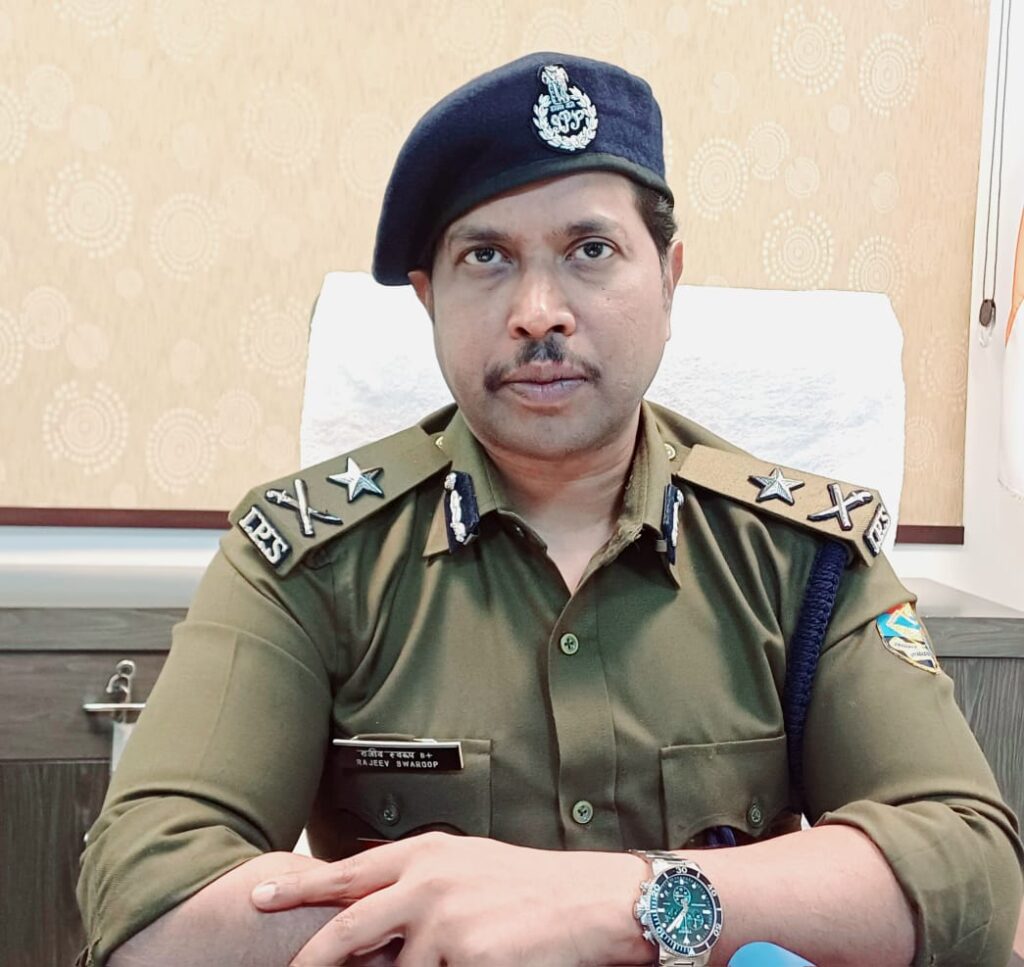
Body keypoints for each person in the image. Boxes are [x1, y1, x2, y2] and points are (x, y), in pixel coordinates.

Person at [77, 51, 1022, 967]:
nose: (539, 311)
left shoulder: (799, 555)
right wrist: (464, 924)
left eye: (590, 251)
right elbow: (148, 903)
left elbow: (973, 869)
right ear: (428, 298)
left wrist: (611, 903)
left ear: (669, 279)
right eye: (486, 256)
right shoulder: (306, 556)